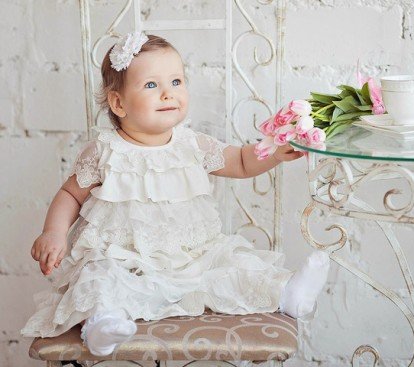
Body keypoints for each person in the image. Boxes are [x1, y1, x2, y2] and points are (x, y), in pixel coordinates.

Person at [21, 33, 330, 356]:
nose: (169, 93)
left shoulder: (192, 144)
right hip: (125, 260)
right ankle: (102, 324)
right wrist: (54, 232)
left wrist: (274, 152)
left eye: (177, 81)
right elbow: (71, 194)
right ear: (118, 103)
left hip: (192, 257)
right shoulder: (105, 151)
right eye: (152, 85)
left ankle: (287, 292)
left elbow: (239, 161)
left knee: (233, 263)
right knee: (98, 275)